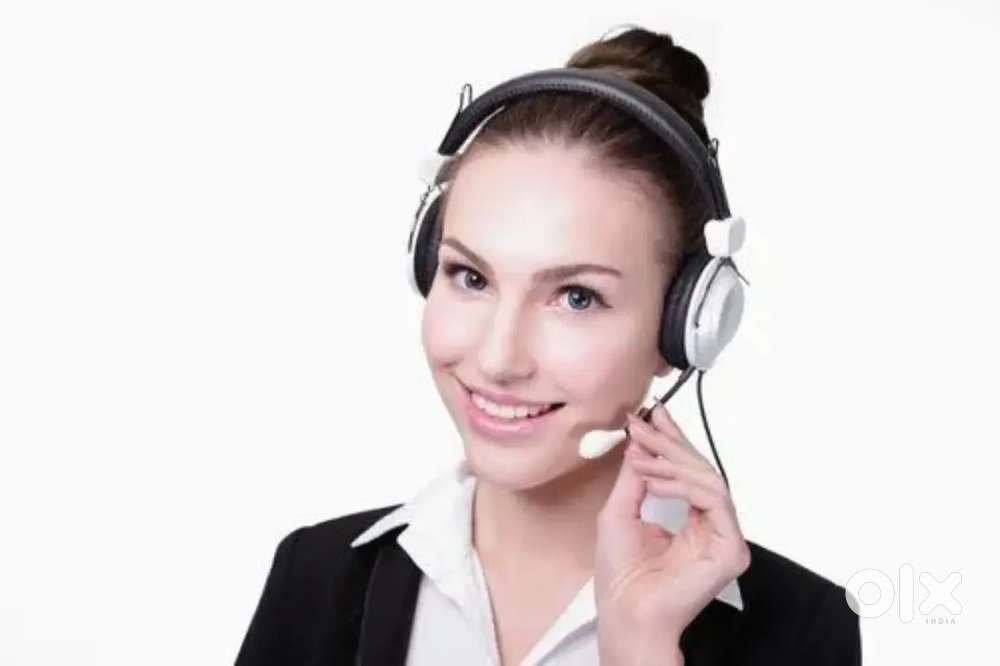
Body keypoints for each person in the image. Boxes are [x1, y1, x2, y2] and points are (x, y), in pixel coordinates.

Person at [234, 26, 862, 666]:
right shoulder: (313, 580)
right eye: (470, 277)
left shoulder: (805, 633)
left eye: (577, 297)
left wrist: (642, 652)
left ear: (686, 325)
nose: (499, 359)